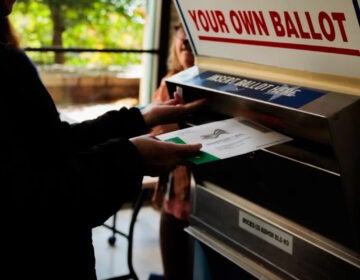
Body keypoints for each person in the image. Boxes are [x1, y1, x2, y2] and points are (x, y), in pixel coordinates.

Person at [0, 1, 206, 279]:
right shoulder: (6, 66)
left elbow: (55, 142)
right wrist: (133, 156)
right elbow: (39, 192)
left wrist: (141, 118)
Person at [151, 22, 195, 280]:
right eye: (183, 39)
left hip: (199, 199)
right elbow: (154, 129)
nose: (186, 45)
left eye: (192, 41)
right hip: (174, 197)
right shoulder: (169, 80)